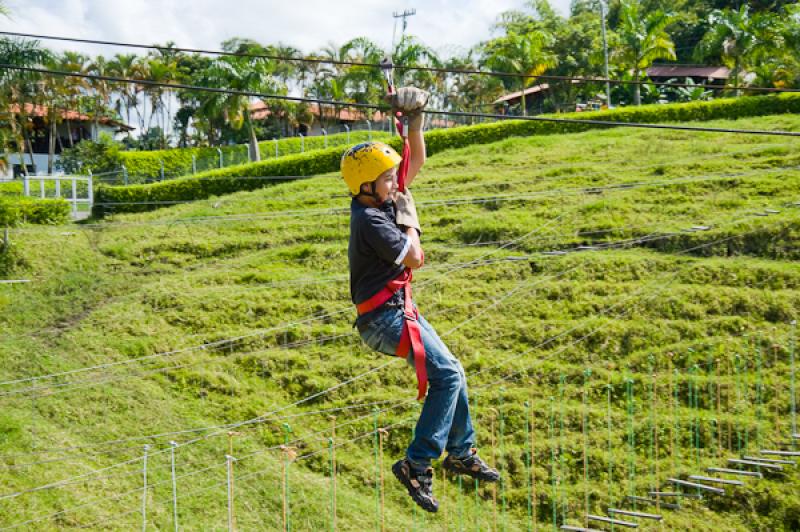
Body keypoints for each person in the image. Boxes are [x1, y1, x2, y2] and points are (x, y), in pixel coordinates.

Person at [340, 86, 499, 513]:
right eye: (389, 178)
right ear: (367, 185)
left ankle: (461, 451)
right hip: (382, 320)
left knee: (453, 371)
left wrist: (414, 119)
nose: (398, 182)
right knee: (446, 376)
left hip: (396, 310)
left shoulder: (381, 197)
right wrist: (413, 223)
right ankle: (418, 463)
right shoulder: (371, 220)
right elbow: (415, 257)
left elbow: (416, 159)